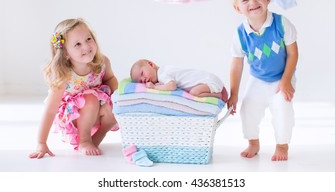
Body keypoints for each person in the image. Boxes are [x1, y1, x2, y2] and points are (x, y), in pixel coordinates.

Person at [228, 0, 298, 161]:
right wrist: (234, 94)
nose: (253, 2)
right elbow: (236, 64)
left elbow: (293, 54)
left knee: (282, 108)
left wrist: (286, 81)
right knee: (247, 109)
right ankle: (253, 142)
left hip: (282, 76)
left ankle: (282, 145)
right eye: (245, 0)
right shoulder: (240, 34)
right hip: (258, 78)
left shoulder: (282, 24)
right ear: (237, 8)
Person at [29, 18, 118, 159]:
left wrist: (117, 97)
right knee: (90, 98)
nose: (86, 46)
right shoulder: (64, 75)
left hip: (95, 113)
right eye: (77, 44)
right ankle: (84, 140)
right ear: (66, 53)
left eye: (88, 39)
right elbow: (50, 110)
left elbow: (110, 79)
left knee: (114, 106)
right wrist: (41, 142)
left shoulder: (102, 62)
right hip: (74, 117)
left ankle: (99, 135)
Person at [130, 59, 228, 101]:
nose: (144, 79)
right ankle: (218, 89)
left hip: (209, 81)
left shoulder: (162, 74)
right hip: (209, 79)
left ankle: (217, 95)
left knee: (194, 93)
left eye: (142, 73)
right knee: (194, 91)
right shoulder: (164, 70)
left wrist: (154, 87)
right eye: (141, 81)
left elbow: (172, 86)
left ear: (150, 64)